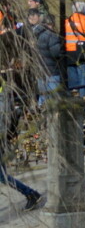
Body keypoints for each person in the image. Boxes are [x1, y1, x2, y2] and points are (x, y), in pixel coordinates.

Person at [1, 78, 43, 211]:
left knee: (2, 176)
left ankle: (31, 194)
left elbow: (3, 122)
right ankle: (31, 194)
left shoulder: (3, 98)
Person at [28, 10, 63, 104]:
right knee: (54, 96)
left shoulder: (34, 34)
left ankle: (41, 113)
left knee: (43, 96)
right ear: (51, 23)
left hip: (39, 70)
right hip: (51, 70)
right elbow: (56, 53)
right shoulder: (51, 35)